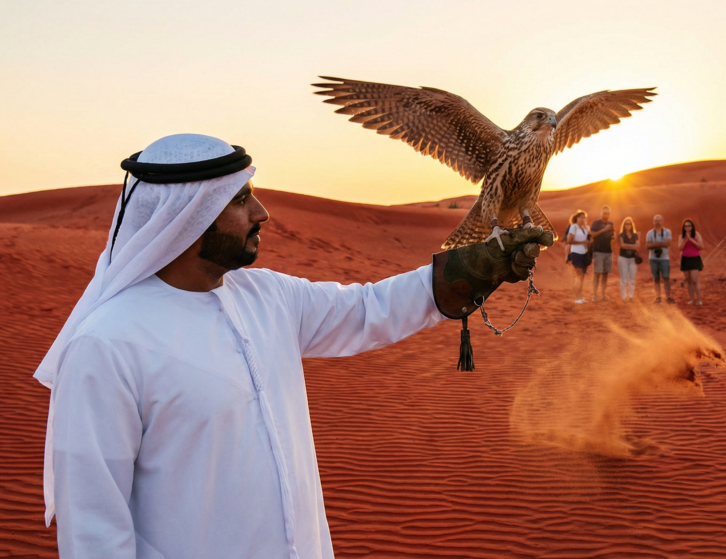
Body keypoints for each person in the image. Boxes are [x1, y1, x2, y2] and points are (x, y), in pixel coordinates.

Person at [34, 133, 550, 559]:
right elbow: (94, 533)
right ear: (188, 218)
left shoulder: (267, 296)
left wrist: (475, 268)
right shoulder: (106, 344)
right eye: (239, 199)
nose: (261, 212)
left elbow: (368, 309)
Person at [589, 205, 614, 302]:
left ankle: (603, 295)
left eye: (608, 213)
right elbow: (592, 235)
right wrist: (605, 229)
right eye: (604, 213)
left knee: (605, 274)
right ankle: (595, 295)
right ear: (601, 213)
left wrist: (613, 236)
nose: (606, 215)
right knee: (597, 274)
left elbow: (612, 236)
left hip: (608, 251)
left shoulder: (611, 224)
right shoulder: (596, 223)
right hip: (598, 251)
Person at [646, 214, 673, 303]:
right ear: (653, 222)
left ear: (662, 221)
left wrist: (655, 244)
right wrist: (661, 243)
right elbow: (648, 246)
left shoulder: (667, 231)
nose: (658, 222)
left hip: (665, 258)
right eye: (656, 220)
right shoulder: (650, 233)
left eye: (659, 220)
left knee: (666, 277)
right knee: (656, 278)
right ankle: (658, 297)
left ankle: (668, 297)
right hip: (653, 259)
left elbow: (667, 244)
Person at [565, 210, 590, 304]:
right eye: (581, 217)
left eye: (584, 217)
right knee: (579, 275)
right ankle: (577, 298)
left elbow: (586, 240)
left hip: (584, 253)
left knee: (582, 276)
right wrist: (582, 242)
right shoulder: (573, 227)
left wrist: (587, 244)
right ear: (577, 218)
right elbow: (569, 240)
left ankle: (580, 297)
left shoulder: (585, 228)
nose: (582, 219)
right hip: (576, 253)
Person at [678, 218, 705, 305]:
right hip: (685, 259)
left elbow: (701, 247)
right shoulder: (681, 236)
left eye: (689, 225)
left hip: (695, 259)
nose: (687, 227)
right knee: (688, 280)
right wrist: (686, 239)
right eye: (685, 226)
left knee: (694, 280)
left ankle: (699, 300)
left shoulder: (697, 235)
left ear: (692, 226)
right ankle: (692, 299)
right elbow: (680, 248)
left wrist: (691, 239)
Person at [617, 216, 640, 301]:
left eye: (629, 224)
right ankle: (623, 297)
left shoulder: (635, 235)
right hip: (623, 258)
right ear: (624, 225)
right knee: (623, 278)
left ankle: (631, 296)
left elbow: (637, 246)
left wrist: (627, 246)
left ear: (631, 225)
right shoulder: (621, 234)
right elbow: (622, 245)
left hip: (632, 259)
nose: (628, 225)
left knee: (632, 279)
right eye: (626, 224)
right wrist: (632, 246)